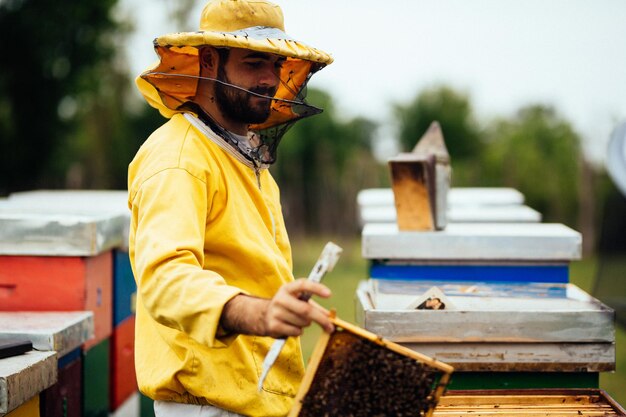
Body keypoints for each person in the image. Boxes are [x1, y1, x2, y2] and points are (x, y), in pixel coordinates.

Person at [127, 1, 334, 416]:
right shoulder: (179, 158)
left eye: (276, 65)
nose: (268, 79)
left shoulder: (241, 156)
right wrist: (258, 313)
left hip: (249, 394)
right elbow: (166, 278)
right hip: (208, 403)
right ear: (208, 60)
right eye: (254, 62)